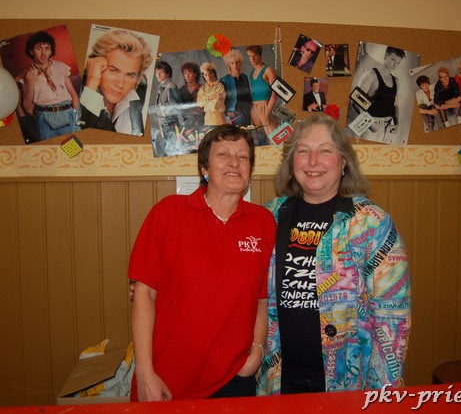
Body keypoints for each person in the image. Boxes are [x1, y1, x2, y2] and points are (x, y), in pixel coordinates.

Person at [257, 115, 410, 395]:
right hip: (278, 379)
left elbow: (392, 316)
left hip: (349, 383)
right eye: (303, 151)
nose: (313, 161)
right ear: (291, 162)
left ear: (343, 163)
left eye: (325, 150)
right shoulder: (269, 217)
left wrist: (381, 394)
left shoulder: (372, 223)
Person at [129, 124, 276, 401]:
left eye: (243, 157)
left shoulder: (263, 223)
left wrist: (256, 353)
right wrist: (145, 372)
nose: (234, 162)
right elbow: (143, 295)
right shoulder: (168, 213)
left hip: (234, 378)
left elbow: (261, 299)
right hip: (167, 378)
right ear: (204, 168)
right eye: (223, 154)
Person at [78, 29, 153, 136]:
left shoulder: (139, 90)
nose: (120, 84)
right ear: (97, 65)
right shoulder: (72, 96)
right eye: (114, 70)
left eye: (130, 75)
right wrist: (91, 86)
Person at [17, 30, 79, 140]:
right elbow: (28, 107)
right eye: (38, 48)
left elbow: (73, 94)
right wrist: (30, 84)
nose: (43, 53)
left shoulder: (61, 66)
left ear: (51, 51)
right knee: (52, 150)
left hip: (68, 115)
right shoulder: (27, 75)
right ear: (31, 51)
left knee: (75, 148)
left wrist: (76, 114)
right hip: (45, 118)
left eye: (47, 48)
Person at [356, 46, 405, 143]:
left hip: (388, 129)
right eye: (393, 60)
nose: (395, 65)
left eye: (398, 62)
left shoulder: (396, 81)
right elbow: (355, 102)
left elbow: (395, 105)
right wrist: (369, 124)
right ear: (386, 56)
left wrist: (397, 124)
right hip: (371, 127)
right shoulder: (371, 75)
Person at [246, 45, 277, 138]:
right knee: (261, 139)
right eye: (250, 56)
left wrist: (268, 111)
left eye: (255, 55)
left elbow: (275, 93)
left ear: (260, 55)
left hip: (265, 105)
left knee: (274, 137)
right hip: (254, 108)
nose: (252, 58)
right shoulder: (252, 74)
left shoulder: (268, 70)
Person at [154, 60, 183, 153]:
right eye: (157, 72)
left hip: (170, 122)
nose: (158, 75)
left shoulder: (170, 86)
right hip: (163, 121)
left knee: (173, 146)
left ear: (167, 74)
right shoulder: (161, 86)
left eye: (161, 72)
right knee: (168, 145)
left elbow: (175, 106)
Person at [220, 49, 252, 128]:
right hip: (233, 113)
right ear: (228, 64)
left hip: (246, 111)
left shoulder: (244, 77)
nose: (235, 65)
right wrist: (227, 112)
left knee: (248, 132)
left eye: (237, 62)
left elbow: (248, 96)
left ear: (240, 63)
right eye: (232, 63)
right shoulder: (224, 80)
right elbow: (222, 100)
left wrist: (250, 109)